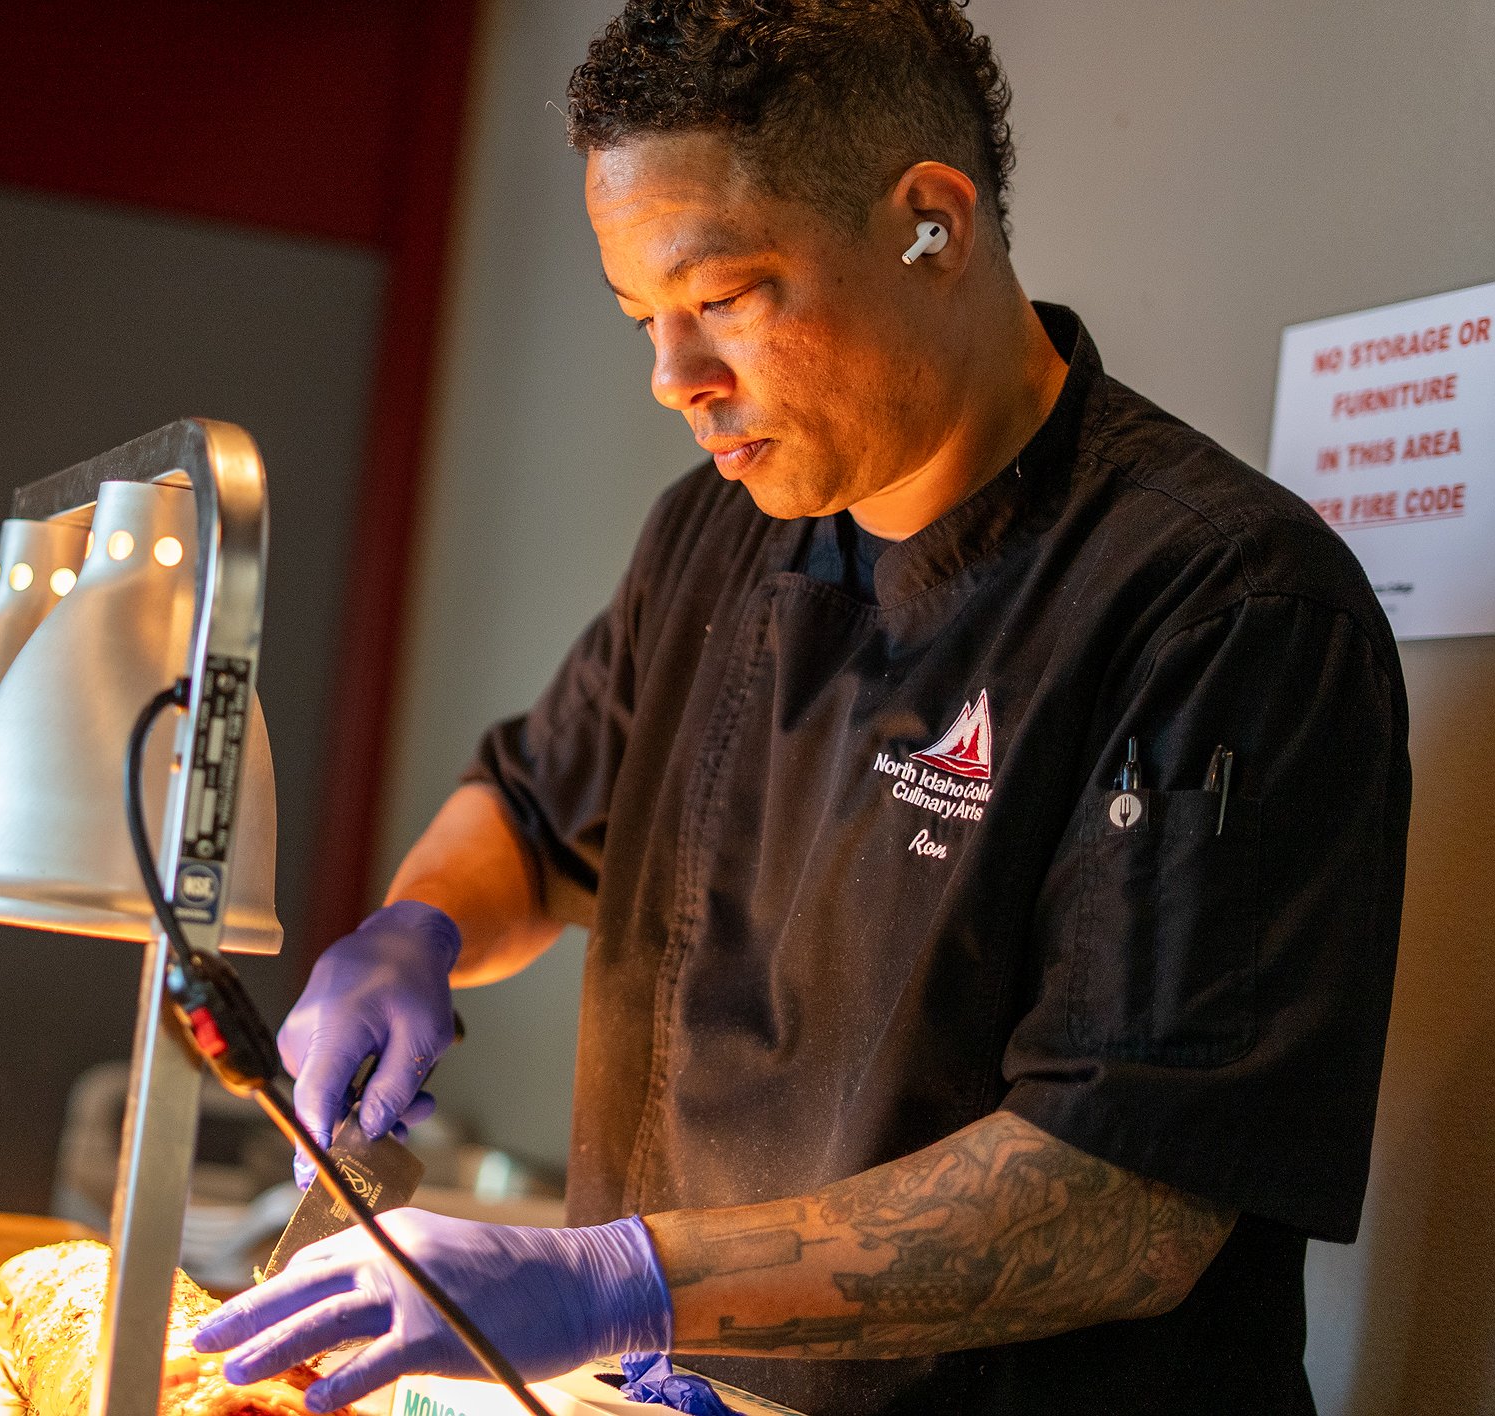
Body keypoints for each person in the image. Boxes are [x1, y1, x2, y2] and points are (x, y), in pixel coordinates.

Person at [193, 3, 1410, 1413]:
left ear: (932, 224)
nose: (674, 380)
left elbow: (1123, 1203)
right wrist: (421, 927)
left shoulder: (1226, 607)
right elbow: (531, 815)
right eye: (644, 319)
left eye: (724, 297)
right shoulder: (712, 536)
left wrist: (620, 1280)